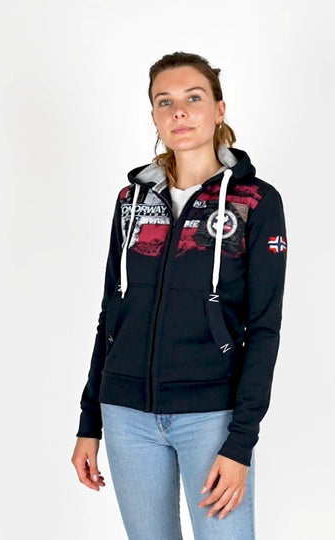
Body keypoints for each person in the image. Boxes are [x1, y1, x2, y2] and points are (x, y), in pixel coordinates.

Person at [71, 51, 287, 540]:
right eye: (164, 102)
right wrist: (90, 421)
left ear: (219, 109)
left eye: (194, 98)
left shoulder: (254, 202)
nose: (179, 112)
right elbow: (111, 315)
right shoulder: (132, 202)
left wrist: (240, 443)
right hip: (125, 415)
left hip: (211, 417)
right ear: (153, 115)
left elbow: (264, 328)